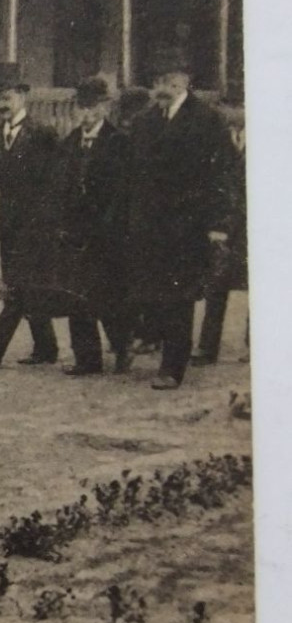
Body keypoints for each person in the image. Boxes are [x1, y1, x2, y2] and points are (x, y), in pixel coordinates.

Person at [123, 46, 235, 389]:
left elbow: (224, 175)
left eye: (170, 80)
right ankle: (159, 347)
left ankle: (173, 366)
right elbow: (132, 175)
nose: (163, 86)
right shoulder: (143, 122)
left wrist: (219, 226)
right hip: (149, 223)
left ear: (186, 81)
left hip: (189, 222)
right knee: (155, 290)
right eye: (158, 80)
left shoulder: (206, 119)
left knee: (179, 296)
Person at [0, 61, 62, 368]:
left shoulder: (43, 134)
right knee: (27, 284)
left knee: (20, 286)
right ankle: (47, 347)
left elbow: (55, 180)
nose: (2, 103)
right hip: (10, 219)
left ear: (23, 97)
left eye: (7, 96)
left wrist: (49, 220)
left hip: (38, 220)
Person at [57, 77, 134, 376]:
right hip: (75, 232)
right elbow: (61, 187)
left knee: (108, 296)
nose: (86, 114)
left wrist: (110, 226)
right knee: (76, 296)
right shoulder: (69, 144)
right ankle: (87, 358)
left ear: (104, 108)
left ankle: (122, 345)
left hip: (107, 232)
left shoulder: (118, 143)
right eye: (81, 108)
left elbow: (122, 192)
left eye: (92, 108)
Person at [193, 94, 247, 365]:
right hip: (225, 224)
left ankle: (254, 343)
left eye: (235, 110)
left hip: (255, 224)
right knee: (217, 284)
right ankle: (207, 346)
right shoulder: (218, 143)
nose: (230, 116)